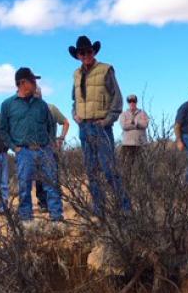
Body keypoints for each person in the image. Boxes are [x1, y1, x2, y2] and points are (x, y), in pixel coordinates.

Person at [69, 35, 129, 214]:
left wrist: (108, 120)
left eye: (89, 51)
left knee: (109, 170)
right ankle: (99, 210)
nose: (86, 55)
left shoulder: (105, 69)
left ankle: (125, 209)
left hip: (100, 126)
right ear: (78, 55)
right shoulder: (76, 74)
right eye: (82, 52)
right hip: (83, 127)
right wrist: (75, 115)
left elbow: (117, 98)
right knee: (91, 171)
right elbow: (75, 99)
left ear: (93, 51)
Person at [0, 67, 63, 222]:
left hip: (44, 150)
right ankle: (27, 220)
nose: (35, 83)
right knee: (24, 187)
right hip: (24, 152)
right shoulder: (7, 105)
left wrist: (51, 143)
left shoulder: (41, 104)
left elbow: (50, 125)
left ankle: (57, 218)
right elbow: (3, 130)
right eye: (32, 80)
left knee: (51, 185)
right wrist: (15, 148)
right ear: (22, 83)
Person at [33, 86, 69, 213]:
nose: (36, 95)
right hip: (34, 149)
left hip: (49, 148)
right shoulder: (29, 110)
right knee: (38, 178)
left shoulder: (51, 108)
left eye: (37, 93)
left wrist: (61, 138)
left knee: (52, 178)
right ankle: (43, 203)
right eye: (34, 93)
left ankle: (54, 205)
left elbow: (65, 122)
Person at [118, 94, 149, 167]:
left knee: (142, 167)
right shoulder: (123, 114)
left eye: (133, 101)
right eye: (130, 101)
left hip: (141, 144)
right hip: (127, 144)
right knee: (126, 167)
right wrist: (138, 124)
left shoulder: (143, 113)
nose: (132, 103)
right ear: (128, 103)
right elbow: (124, 126)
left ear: (136, 102)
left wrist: (133, 123)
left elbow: (145, 124)